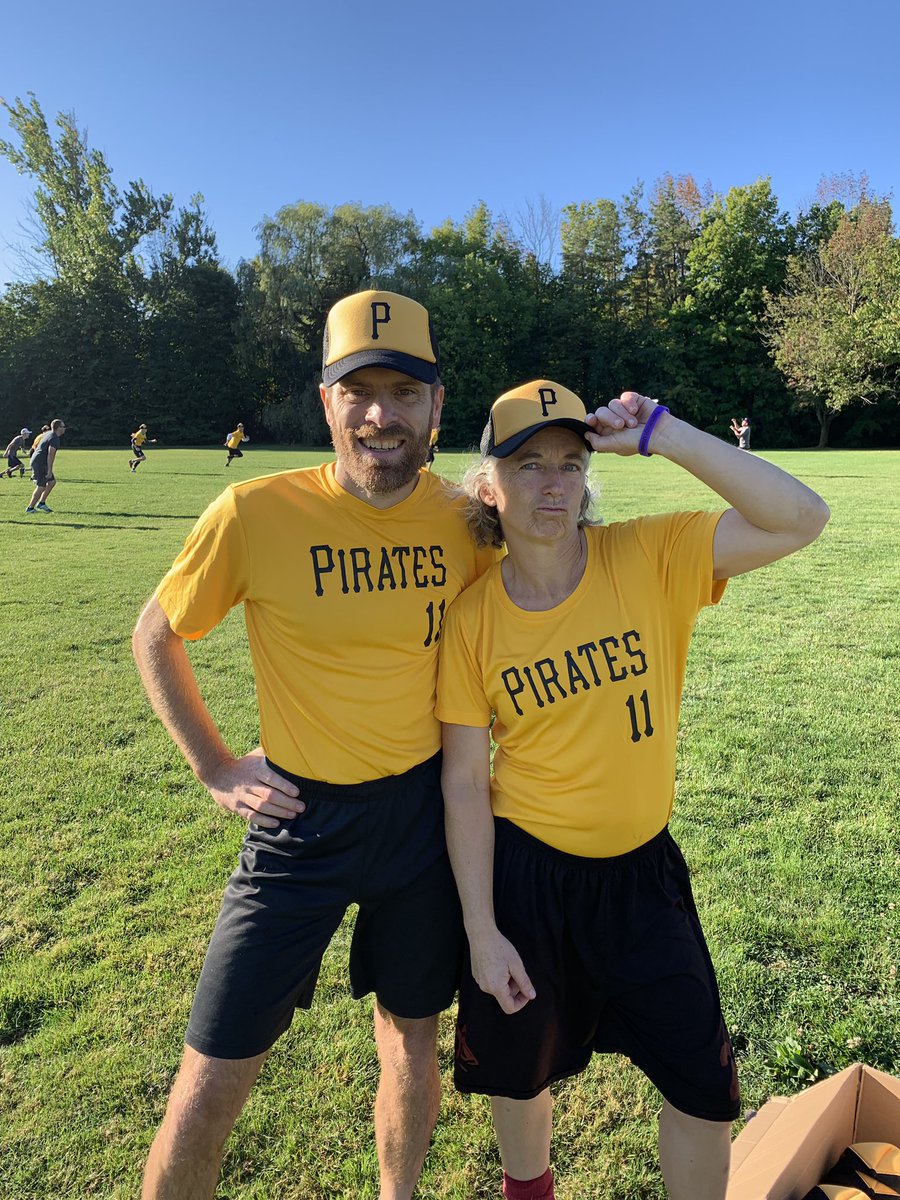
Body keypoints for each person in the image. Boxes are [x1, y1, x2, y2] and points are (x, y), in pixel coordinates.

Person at [132, 289, 495, 1200]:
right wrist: (216, 766)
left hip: (422, 819)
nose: (382, 414)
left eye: (405, 392)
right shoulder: (254, 513)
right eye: (358, 390)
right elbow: (156, 633)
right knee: (209, 1077)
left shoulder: (464, 525)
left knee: (411, 1038)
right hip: (298, 824)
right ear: (326, 401)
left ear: (437, 407)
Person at [436, 381, 830, 1200]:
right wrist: (480, 930)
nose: (553, 485)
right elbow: (467, 782)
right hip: (529, 881)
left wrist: (666, 433)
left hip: (644, 878)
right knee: (520, 1071)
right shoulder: (472, 620)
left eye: (571, 465)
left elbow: (802, 518)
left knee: (700, 1086)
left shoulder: (649, 555)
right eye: (529, 465)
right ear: (488, 486)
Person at [26, 419, 66, 513]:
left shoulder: (48, 434)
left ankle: (41, 503)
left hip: (39, 461)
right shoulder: (54, 438)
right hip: (40, 463)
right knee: (41, 486)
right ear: (58, 428)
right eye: (63, 427)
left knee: (52, 482)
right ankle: (30, 508)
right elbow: (50, 454)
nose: (65, 428)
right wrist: (49, 470)